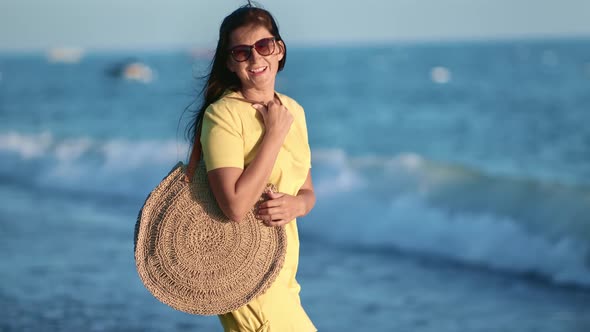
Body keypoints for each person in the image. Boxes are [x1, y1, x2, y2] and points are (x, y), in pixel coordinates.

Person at [186, 3, 317, 332]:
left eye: (263, 46)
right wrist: (273, 135)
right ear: (230, 62)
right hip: (245, 278)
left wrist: (296, 205)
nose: (256, 58)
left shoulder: (293, 111)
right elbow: (235, 205)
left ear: (279, 50)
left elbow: (307, 191)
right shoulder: (223, 115)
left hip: (284, 275)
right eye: (242, 52)